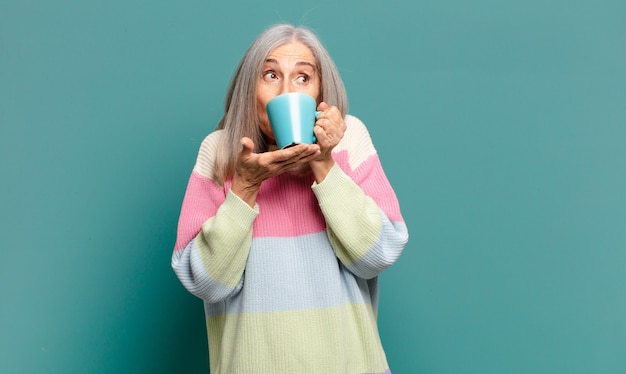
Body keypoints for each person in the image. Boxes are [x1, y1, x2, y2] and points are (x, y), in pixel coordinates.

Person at [172, 23, 408, 374]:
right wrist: (246, 187)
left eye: (302, 78)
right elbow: (206, 283)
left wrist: (323, 160)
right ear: (247, 88)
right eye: (270, 74)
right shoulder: (220, 152)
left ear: (320, 91)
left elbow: (377, 255)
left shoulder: (349, 140)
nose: (286, 92)